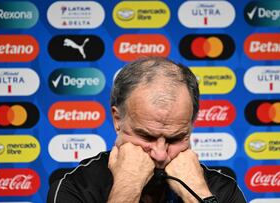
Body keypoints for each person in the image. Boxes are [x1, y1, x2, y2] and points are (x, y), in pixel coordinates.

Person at [47, 57, 246, 203]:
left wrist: (197, 194)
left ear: (191, 126)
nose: (160, 155)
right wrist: (128, 186)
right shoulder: (75, 188)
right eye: (146, 136)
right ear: (118, 119)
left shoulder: (221, 190)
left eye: (175, 138)